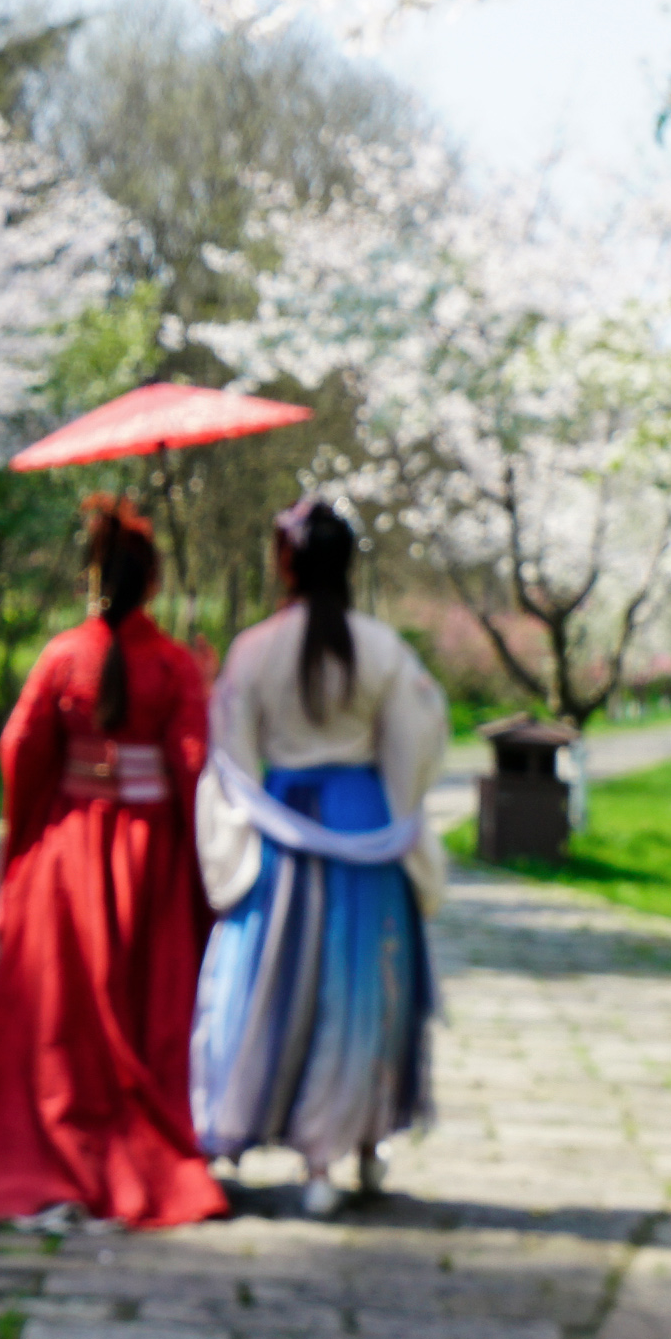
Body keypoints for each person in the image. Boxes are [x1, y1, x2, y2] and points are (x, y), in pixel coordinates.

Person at [0, 499, 230, 1230]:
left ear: (94, 573)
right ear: (151, 582)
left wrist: (24, 847)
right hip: (144, 860)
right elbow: (191, 765)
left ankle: (47, 1148)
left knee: (56, 1017)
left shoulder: (61, 655)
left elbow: (20, 753)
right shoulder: (174, 664)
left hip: (64, 859)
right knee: (138, 1007)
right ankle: (131, 1149)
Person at [190, 495, 449, 1213]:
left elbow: (231, 755)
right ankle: (358, 1146)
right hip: (364, 830)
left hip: (282, 834)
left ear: (286, 563)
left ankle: (307, 1161)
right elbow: (416, 739)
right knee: (365, 992)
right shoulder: (381, 649)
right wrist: (397, 806)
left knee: (275, 987)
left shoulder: (253, 649)